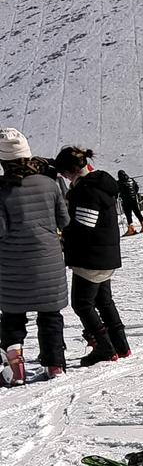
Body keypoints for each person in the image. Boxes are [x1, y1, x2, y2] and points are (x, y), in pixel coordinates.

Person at [0, 129, 68, 383]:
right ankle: (55, 365)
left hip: (12, 265)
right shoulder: (49, 184)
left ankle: (16, 370)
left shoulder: (1, 191)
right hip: (47, 260)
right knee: (50, 315)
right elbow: (64, 219)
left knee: (12, 317)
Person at [54, 145, 130, 367]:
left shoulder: (86, 190)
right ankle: (121, 345)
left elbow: (83, 227)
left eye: (64, 173)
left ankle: (105, 348)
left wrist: (63, 237)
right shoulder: (100, 183)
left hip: (91, 257)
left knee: (82, 303)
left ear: (71, 171)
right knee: (104, 301)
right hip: (107, 253)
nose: (65, 178)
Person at [116, 170, 143, 236]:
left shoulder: (119, 182)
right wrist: (134, 194)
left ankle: (131, 229)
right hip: (134, 199)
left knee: (128, 214)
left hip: (126, 200)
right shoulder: (131, 180)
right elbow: (137, 187)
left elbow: (117, 190)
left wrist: (120, 196)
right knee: (137, 212)